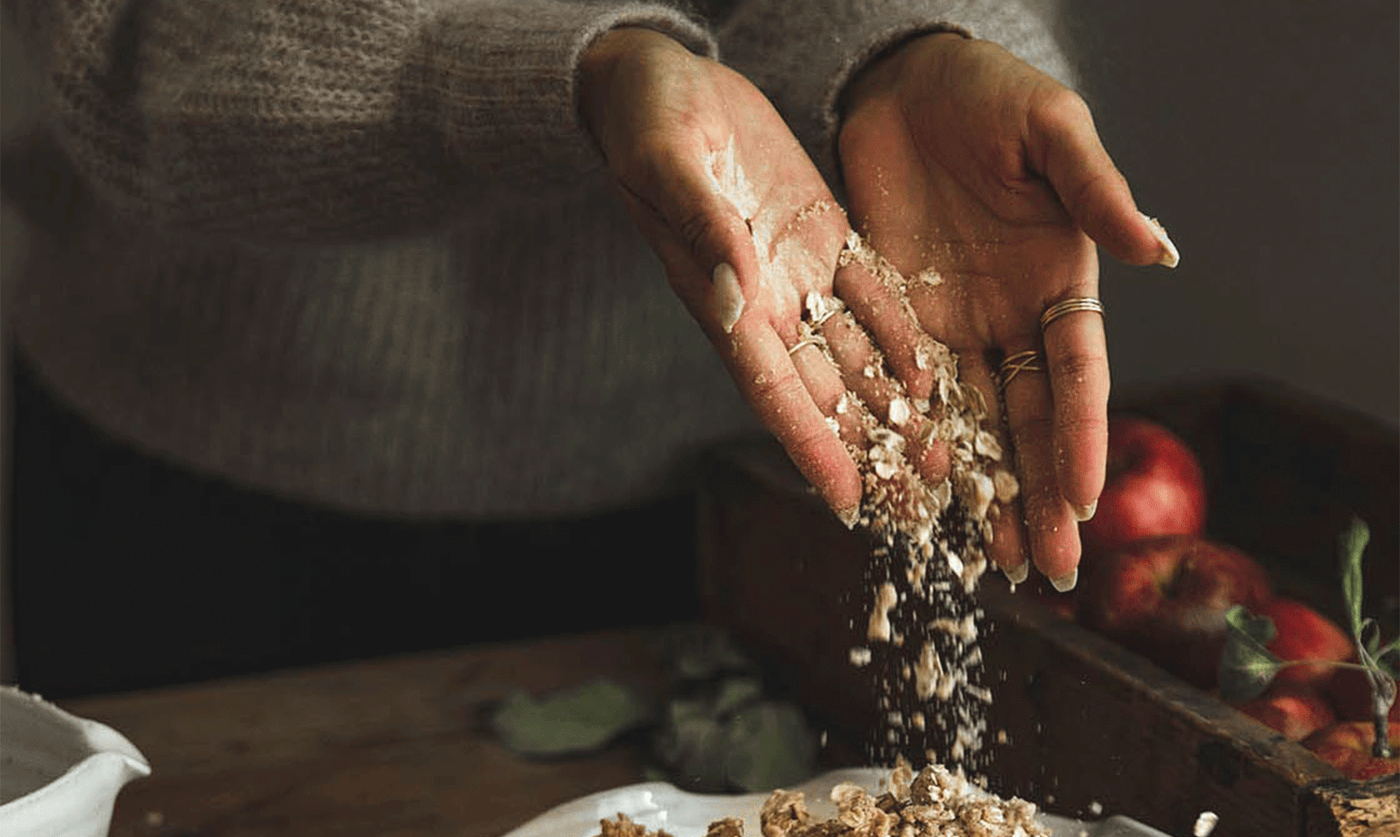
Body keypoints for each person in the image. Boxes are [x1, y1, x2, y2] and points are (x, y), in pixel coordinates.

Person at [1, 1, 1177, 698]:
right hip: (199, 469)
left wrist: (909, 39)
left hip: (713, 466)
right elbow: (125, 56)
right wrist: (575, 68)